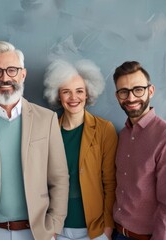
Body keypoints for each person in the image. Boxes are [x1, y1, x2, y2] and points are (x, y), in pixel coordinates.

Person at [0, 41, 69, 240]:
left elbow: (59, 178)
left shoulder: (47, 119)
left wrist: (54, 225)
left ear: (22, 74)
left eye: (12, 70)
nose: (5, 78)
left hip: (36, 232)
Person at [43, 59, 117, 240]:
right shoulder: (47, 130)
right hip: (56, 230)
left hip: (93, 231)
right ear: (58, 95)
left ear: (87, 94)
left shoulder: (104, 130)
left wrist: (106, 230)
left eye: (79, 91)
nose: (73, 97)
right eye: (66, 92)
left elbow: (110, 183)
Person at [111, 61, 166, 240]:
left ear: (150, 91)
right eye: (124, 92)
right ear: (117, 96)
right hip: (116, 233)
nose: (130, 98)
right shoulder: (123, 135)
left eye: (138, 89)